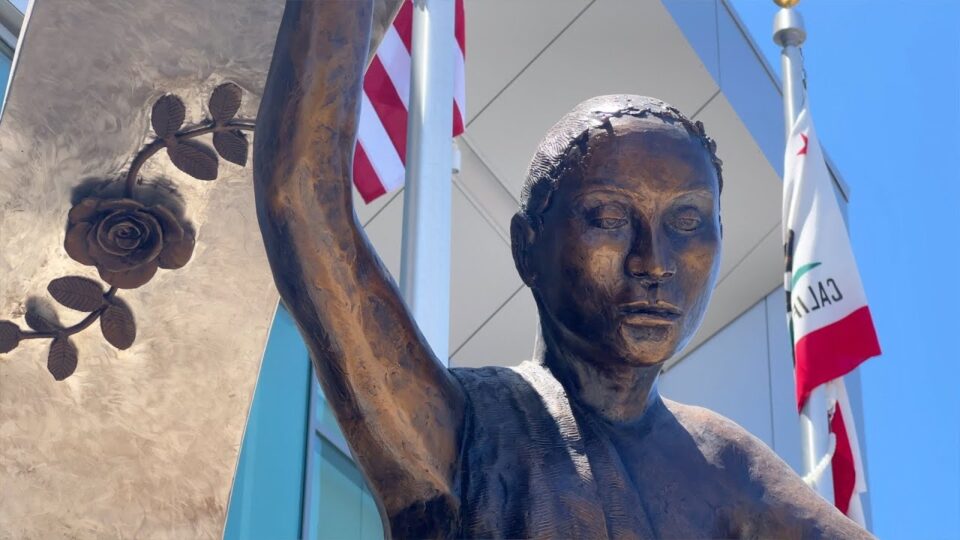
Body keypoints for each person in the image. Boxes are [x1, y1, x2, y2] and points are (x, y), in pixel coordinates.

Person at [253, 1, 872, 538]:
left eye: (686, 223)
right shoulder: (467, 424)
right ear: (527, 249)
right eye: (607, 217)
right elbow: (301, 201)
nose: (652, 263)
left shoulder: (722, 462)